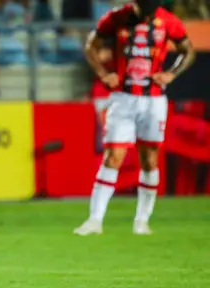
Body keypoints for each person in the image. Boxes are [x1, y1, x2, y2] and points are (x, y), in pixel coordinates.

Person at [74, 0, 195, 235]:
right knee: (113, 156)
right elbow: (91, 45)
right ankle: (95, 220)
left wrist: (172, 74)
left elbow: (188, 49)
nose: (144, 14)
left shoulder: (168, 21)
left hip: (153, 101)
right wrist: (103, 73)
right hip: (123, 98)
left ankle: (142, 220)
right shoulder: (116, 18)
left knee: (149, 159)